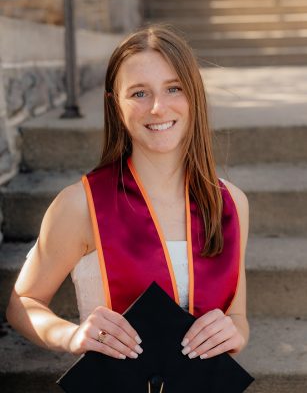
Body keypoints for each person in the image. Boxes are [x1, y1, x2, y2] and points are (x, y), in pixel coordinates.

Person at [6, 24, 250, 363]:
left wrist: (234, 332)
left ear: (194, 95)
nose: (158, 108)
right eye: (139, 93)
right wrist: (71, 335)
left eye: (174, 88)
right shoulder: (81, 205)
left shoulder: (230, 203)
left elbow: (237, 317)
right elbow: (23, 302)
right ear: (115, 105)